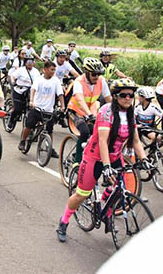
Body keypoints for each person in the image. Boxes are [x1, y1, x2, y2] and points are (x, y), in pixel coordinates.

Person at [56, 78, 151, 243]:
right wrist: (106, 166)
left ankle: (104, 208)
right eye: (123, 95)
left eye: (131, 95)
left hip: (115, 156)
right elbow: (102, 142)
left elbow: (135, 141)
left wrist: (145, 160)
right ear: (115, 96)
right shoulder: (107, 112)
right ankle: (63, 223)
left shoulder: (130, 113)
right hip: (95, 157)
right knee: (81, 194)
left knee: (119, 188)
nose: (128, 98)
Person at [66, 57, 112, 164]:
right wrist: (89, 114)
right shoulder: (79, 82)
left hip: (91, 111)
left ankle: (85, 152)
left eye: (98, 74)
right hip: (75, 111)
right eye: (93, 74)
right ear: (86, 73)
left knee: (97, 133)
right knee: (85, 132)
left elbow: (109, 99)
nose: (96, 77)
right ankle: (76, 162)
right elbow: (80, 100)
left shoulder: (101, 81)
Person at [19, 60, 64, 155]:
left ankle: (50, 148)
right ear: (45, 70)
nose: (53, 72)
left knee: (50, 130)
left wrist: (63, 106)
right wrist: (31, 101)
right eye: (51, 70)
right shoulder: (38, 79)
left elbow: (60, 94)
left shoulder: (56, 81)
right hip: (37, 108)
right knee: (29, 125)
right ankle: (23, 141)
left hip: (49, 110)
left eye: (54, 70)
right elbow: (33, 89)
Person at [8, 56, 41, 130]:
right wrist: (13, 82)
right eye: (28, 62)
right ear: (25, 63)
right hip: (19, 92)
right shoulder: (20, 70)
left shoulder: (36, 71)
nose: (30, 64)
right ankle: (11, 120)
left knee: (33, 108)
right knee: (18, 110)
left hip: (30, 92)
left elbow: (39, 81)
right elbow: (12, 76)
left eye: (31, 62)